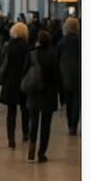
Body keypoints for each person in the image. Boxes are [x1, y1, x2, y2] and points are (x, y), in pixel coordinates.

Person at [22, 30, 62, 163]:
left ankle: (31, 149)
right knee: (46, 124)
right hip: (48, 93)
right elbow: (57, 76)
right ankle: (42, 153)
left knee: (33, 122)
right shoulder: (53, 54)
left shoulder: (32, 54)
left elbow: (24, 72)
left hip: (34, 92)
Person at [0, 22, 31, 149]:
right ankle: (25, 133)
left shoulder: (8, 46)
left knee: (11, 112)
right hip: (24, 81)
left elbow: (4, 64)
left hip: (10, 82)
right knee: (25, 110)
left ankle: (11, 138)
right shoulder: (28, 48)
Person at [58, 16, 81, 136]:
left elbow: (57, 56)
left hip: (66, 73)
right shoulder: (81, 40)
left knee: (69, 100)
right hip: (80, 73)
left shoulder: (62, 41)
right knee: (77, 100)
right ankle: (74, 124)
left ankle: (70, 124)